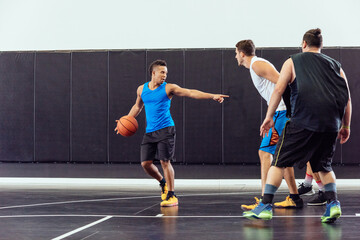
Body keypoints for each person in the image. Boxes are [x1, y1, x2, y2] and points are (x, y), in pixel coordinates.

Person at [243, 28, 352, 223]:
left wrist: (269, 117)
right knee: (324, 166)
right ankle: (333, 204)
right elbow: (347, 99)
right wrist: (346, 126)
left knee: (278, 161)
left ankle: (265, 205)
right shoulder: (336, 65)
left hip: (303, 120)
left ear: (303, 44)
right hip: (330, 124)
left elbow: (278, 89)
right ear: (320, 46)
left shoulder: (292, 61)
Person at [114, 59, 229, 207]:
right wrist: (125, 120)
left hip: (166, 129)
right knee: (145, 164)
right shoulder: (141, 90)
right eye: (162, 72)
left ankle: (172, 195)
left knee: (164, 161)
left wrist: (212, 95)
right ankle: (163, 183)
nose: (164, 76)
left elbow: (191, 93)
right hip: (150, 132)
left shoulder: (169, 88)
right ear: (153, 73)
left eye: (166, 73)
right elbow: (137, 107)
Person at [235, 40, 303, 210]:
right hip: (282, 112)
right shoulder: (256, 66)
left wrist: (282, 111)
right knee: (283, 157)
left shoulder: (257, 64)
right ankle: (295, 197)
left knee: (265, 153)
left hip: (282, 113)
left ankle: (264, 201)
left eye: (236, 53)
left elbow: (284, 82)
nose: (236, 56)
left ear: (242, 53)